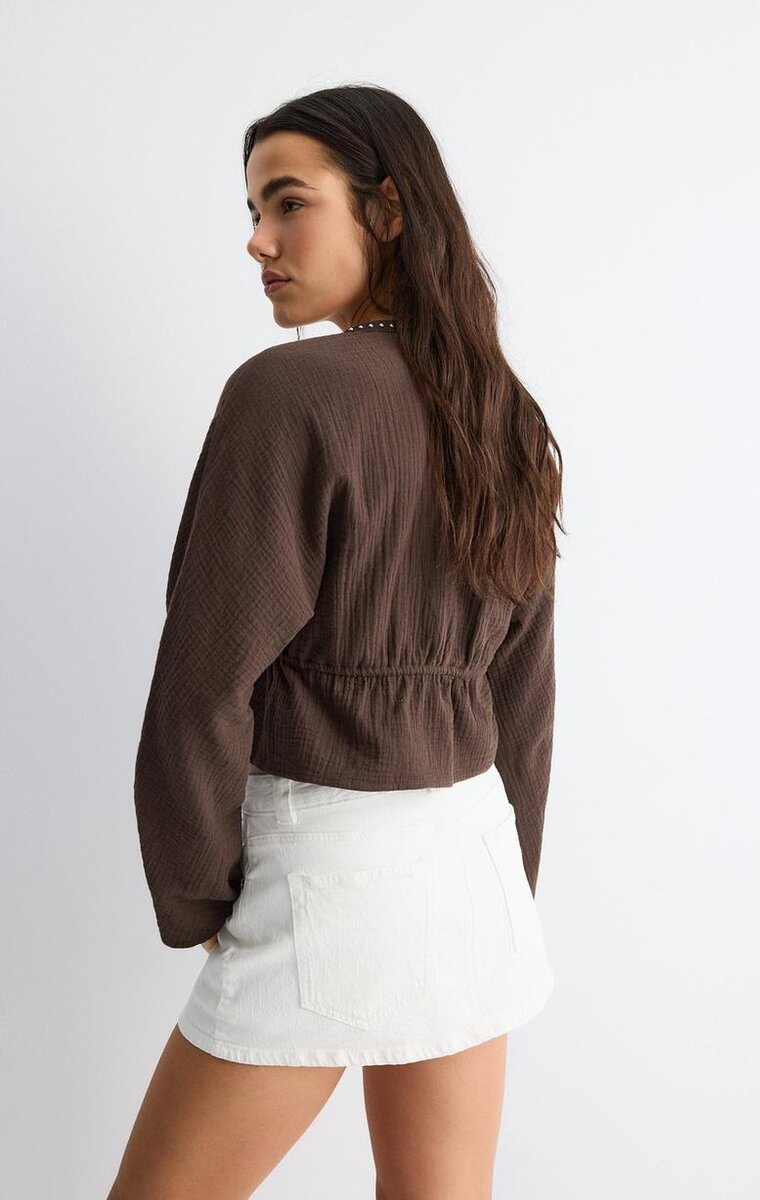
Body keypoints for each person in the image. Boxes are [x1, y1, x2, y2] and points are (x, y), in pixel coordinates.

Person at [108, 83, 565, 1200]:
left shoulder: (288, 394)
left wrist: (197, 893)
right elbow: (525, 693)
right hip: (471, 869)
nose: (257, 240)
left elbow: (206, 676)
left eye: (288, 203)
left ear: (389, 211)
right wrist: (508, 879)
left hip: (332, 865)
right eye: (254, 210)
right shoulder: (504, 409)